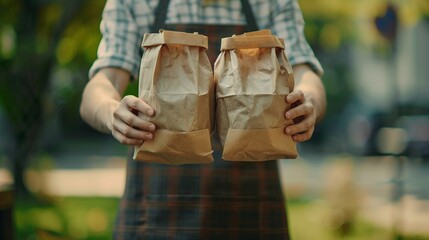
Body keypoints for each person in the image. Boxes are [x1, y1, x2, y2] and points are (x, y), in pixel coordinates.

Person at [80, 0, 326, 239]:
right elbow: (105, 81)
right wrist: (111, 112)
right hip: (155, 207)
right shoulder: (135, 3)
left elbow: (305, 72)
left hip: (252, 205)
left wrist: (310, 101)